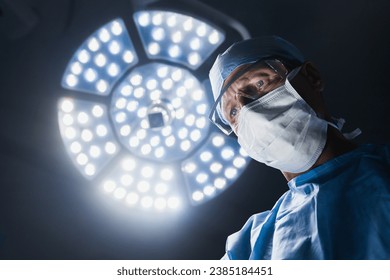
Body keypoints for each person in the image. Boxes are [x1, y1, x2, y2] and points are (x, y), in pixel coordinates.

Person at [208, 36, 390, 259]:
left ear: (311, 77)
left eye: (259, 84)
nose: (248, 110)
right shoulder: (249, 246)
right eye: (233, 112)